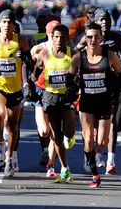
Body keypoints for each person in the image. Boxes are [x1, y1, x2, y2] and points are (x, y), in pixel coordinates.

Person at [67, 22, 121, 187]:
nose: (93, 40)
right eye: (89, 37)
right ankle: (94, 174)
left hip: (105, 102)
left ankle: (95, 154)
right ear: (85, 37)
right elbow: (69, 79)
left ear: (101, 38)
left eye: (96, 37)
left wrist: (116, 93)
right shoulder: (78, 57)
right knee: (89, 139)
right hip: (87, 102)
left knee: (102, 142)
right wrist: (72, 89)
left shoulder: (110, 55)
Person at [0, 9, 33, 176]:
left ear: (14, 25)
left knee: (12, 126)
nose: (7, 25)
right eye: (4, 22)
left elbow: (31, 62)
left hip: (15, 88)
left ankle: (9, 157)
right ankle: (0, 142)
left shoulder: (21, 41)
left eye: (9, 22)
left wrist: (24, 57)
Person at [32, 24, 76, 183]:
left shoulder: (73, 54)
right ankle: (65, 168)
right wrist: (35, 74)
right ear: (52, 38)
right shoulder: (44, 54)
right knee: (56, 136)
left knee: (69, 132)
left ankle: (70, 137)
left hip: (67, 98)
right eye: (56, 37)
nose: (59, 40)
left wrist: (75, 86)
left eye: (62, 37)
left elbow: (81, 73)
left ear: (67, 39)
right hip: (50, 97)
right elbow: (34, 74)